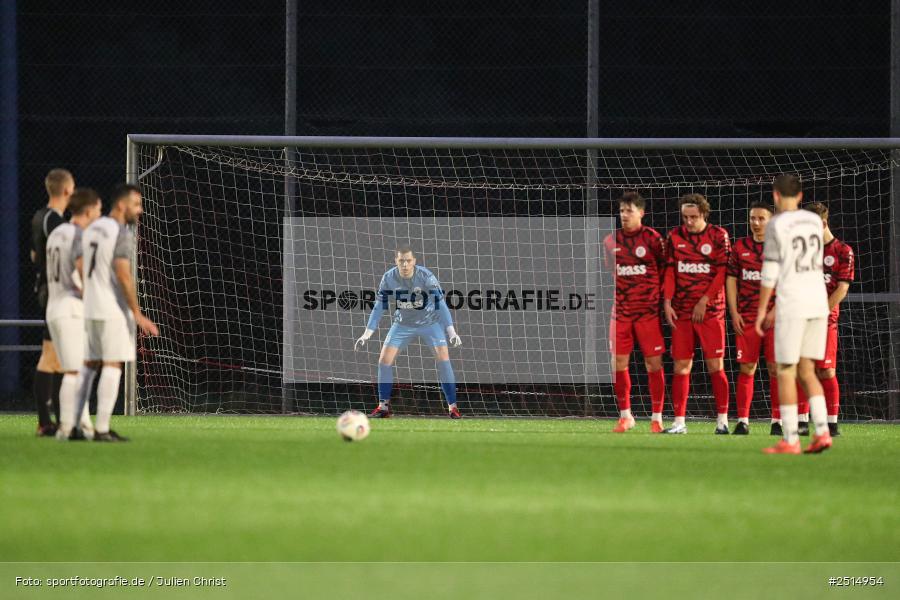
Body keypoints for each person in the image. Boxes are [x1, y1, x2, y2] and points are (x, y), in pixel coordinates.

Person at [72, 184, 159, 441]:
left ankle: (76, 424)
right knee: (112, 363)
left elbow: (78, 264)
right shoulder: (120, 232)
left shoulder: (90, 229)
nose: (140, 210)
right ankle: (101, 429)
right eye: (136, 204)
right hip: (111, 308)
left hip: (90, 306)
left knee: (89, 364)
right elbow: (123, 273)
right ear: (122, 205)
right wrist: (137, 312)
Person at [756, 174, 832, 454]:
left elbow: (771, 270)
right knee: (808, 370)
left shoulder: (777, 223)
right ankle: (823, 432)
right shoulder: (813, 221)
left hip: (794, 302)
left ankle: (790, 438)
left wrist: (762, 309)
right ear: (800, 197)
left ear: (776, 196)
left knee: (786, 370)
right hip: (818, 301)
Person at [355, 246, 462, 418]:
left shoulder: (426, 276)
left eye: (408, 260)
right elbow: (379, 307)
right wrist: (366, 334)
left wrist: (452, 333)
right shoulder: (389, 278)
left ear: (414, 261)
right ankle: (383, 407)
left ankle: (453, 407)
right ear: (396, 261)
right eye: (401, 260)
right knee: (384, 360)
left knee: (443, 359)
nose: (405, 264)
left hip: (430, 323)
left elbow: (440, 304)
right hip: (403, 324)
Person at [662, 194, 731, 434]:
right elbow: (670, 272)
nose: (689, 221)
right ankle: (679, 422)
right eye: (685, 217)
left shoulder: (718, 236)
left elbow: (722, 273)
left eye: (694, 217)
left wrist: (704, 301)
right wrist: (667, 301)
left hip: (711, 311)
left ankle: (722, 421)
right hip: (681, 311)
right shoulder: (674, 236)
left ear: (704, 214)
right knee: (681, 366)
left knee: (715, 366)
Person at [602, 191, 667, 433]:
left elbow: (664, 270)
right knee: (617, 362)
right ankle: (625, 415)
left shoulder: (653, 239)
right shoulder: (610, 241)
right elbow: (612, 270)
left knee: (653, 363)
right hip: (621, 312)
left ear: (641, 213)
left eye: (629, 211)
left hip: (648, 313)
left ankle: (657, 417)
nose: (624, 215)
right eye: (621, 211)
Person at [44, 188, 102, 439]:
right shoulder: (79, 235)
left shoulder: (57, 232)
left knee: (73, 368)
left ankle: (82, 425)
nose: (99, 215)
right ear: (88, 211)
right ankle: (67, 428)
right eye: (99, 210)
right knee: (74, 370)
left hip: (54, 306)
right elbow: (82, 273)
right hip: (71, 307)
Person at [796, 202, 854, 437]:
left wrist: (821, 311)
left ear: (822, 223)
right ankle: (801, 422)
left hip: (825, 319)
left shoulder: (842, 251)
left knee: (826, 371)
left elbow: (841, 289)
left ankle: (831, 423)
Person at [725, 202, 779, 435]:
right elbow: (731, 279)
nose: (755, 223)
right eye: (752, 218)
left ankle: (778, 421)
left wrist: (775, 312)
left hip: (776, 318)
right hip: (746, 317)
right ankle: (743, 420)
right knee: (747, 367)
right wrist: (734, 312)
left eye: (761, 218)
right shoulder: (740, 247)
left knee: (776, 368)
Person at [30, 168, 75, 435]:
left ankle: (55, 420)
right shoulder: (53, 221)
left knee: (56, 356)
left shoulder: (39, 217)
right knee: (51, 357)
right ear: (67, 190)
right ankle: (46, 422)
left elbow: (34, 255)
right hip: (54, 292)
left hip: (47, 290)